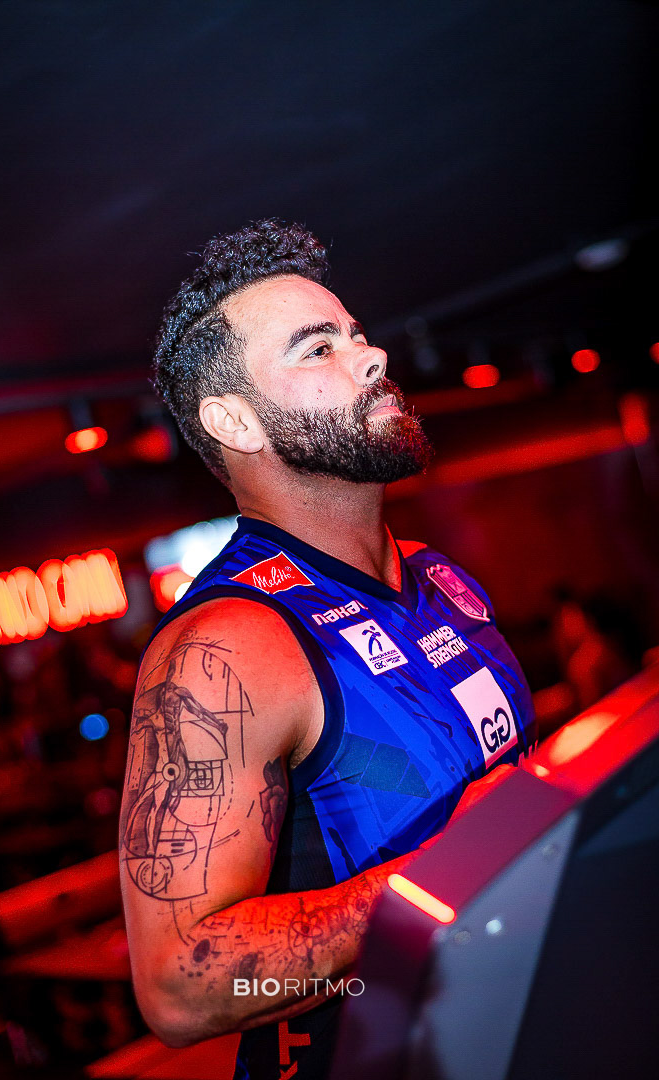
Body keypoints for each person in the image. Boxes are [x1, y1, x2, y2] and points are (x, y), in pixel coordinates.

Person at [119, 220, 537, 1080]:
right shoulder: (227, 645)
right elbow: (180, 990)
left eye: (355, 334)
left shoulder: (439, 579)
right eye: (318, 349)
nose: (372, 357)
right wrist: (453, 870)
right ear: (236, 420)